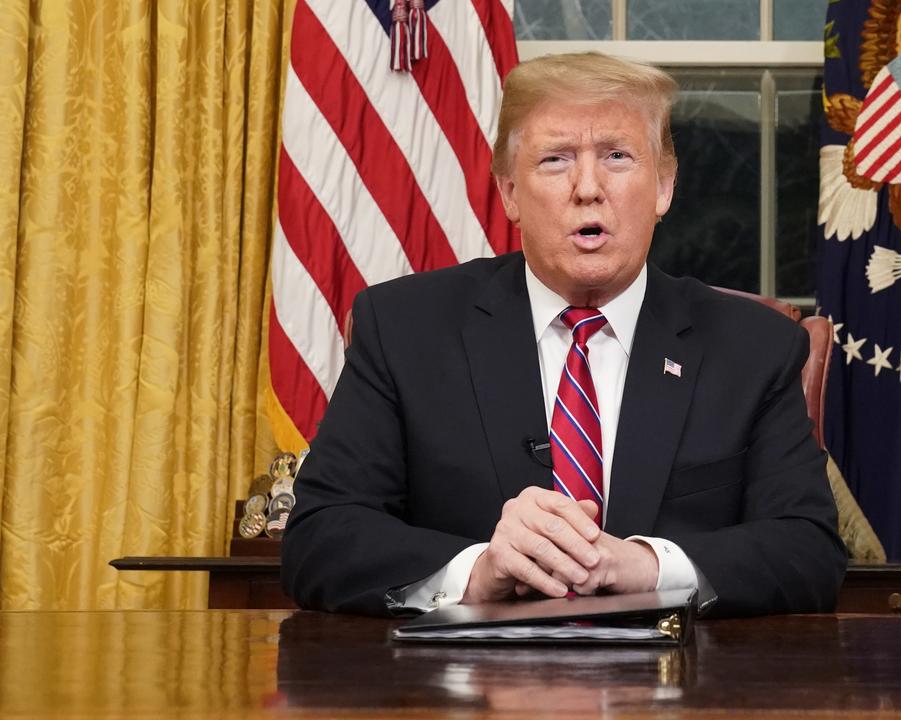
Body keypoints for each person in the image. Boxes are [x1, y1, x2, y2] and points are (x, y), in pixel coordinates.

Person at [280, 52, 847, 618]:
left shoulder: (755, 348)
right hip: (462, 694)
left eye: (617, 157)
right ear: (508, 193)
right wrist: (478, 572)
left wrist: (648, 567)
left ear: (664, 187)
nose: (587, 188)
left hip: (677, 694)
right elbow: (320, 537)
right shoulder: (405, 329)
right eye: (555, 160)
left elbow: (808, 550)